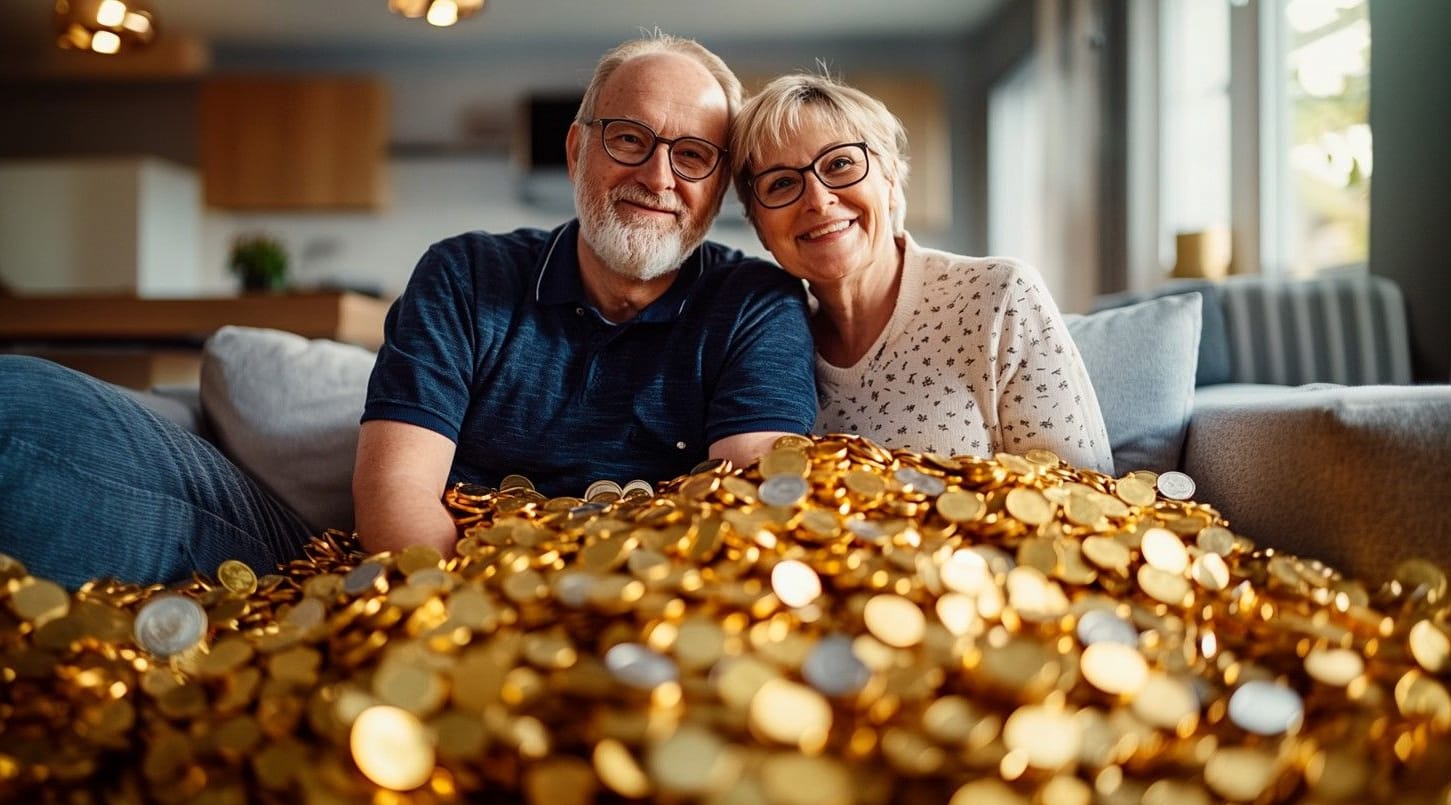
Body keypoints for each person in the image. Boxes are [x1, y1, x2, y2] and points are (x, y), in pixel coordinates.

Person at [0, 34, 816, 589]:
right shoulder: (465, 273)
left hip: (653, 605)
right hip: (431, 586)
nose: (658, 175)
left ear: (719, 185)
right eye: (629, 139)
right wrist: (464, 626)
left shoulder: (755, 303)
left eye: (693, 154)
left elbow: (750, 507)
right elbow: (395, 491)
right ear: (578, 151)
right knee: (27, 403)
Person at [728, 73, 1113, 473]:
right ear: (759, 225)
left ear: (891, 180)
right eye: (782, 183)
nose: (819, 200)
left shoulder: (1000, 295)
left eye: (840, 163)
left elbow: (1087, 492)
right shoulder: (765, 343)